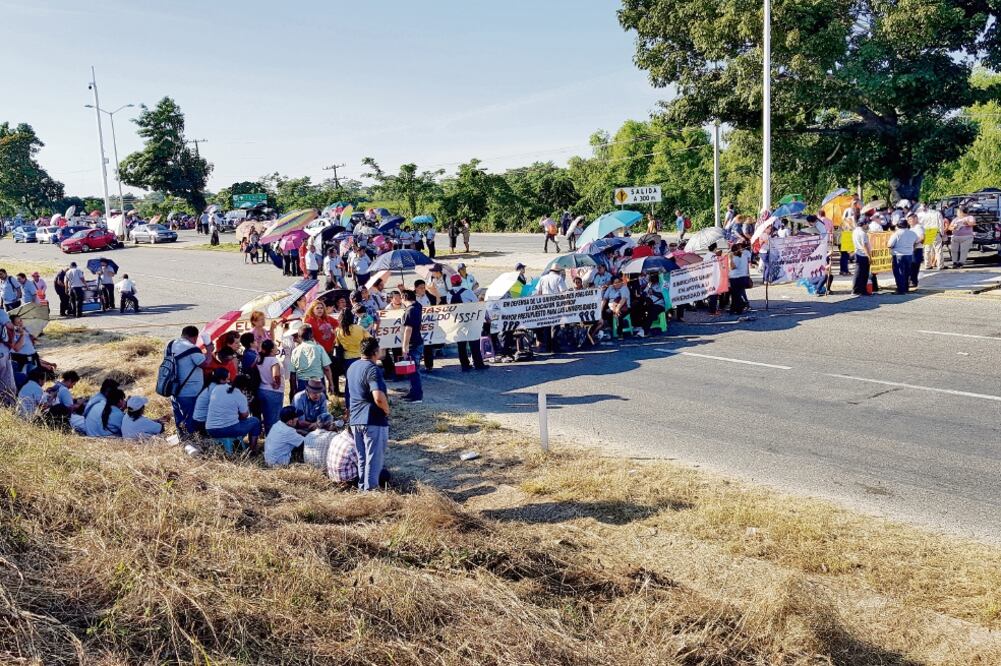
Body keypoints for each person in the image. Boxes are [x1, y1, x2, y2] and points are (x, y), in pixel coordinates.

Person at [347, 337, 391, 491]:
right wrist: (387, 410)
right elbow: (378, 397)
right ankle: (371, 492)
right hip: (372, 419)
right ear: (375, 352)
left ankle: (363, 489)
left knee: (362, 459)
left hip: (355, 420)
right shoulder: (373, 369)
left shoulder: (352, 367)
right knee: (374, 460)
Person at [168, 326, 212, 438]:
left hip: (174, 388)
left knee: (179, 417)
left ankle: (182, 439)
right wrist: (209, 350)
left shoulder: (171, 344)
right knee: (190, 420)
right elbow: (206, 364)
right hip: (189, 391)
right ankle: (192, 442)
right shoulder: (192, 348)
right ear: (194, 337)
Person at [205, 375, 262, 453]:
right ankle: (252, 449)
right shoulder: (240, 396)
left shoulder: (218, 388)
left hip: (210, 429)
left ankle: (234, 445)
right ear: (245, 387)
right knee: (255, 421)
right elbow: (244, 415)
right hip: (227, 429)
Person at [446, 276, 487, 371]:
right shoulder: (468, 292)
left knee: (461, 345)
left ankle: (464, 365)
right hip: (470, 320)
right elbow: (477, 304)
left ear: (451, 283)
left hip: (457, 322)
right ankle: (478, 364)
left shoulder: (449, 294)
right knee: (474, 343)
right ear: (461, 282)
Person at [290, 324, 334, 393]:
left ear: (299, 336)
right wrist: (331, 384)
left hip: (302, 383)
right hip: (318, 382)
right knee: (319, 402)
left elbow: (293, 373)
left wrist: (293, 389)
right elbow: (326, 368)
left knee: (303, 403)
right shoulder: (319, 348)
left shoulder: (295, 351)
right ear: (312, 335)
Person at [399, 290, 425, 402]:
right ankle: (413, 392)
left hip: (412, 344)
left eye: (401, 297)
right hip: (417, 341)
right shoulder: (417, 306)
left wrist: (405, 347)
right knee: (411, 370)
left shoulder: (410, 310)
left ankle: (417, 396)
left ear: (404, 297)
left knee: (413, 371)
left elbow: (408, 330)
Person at [256, 339, 284, 433]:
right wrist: (277, 384)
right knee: (274, 418)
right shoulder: (273, 360)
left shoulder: (260, 359)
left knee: (266, 416)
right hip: (273, 392)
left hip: (262, 389)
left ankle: (268, 436)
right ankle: (272, 440)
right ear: (272, 349)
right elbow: (275, 375)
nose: (277, 347)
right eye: (275, 346)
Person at [888, 221, 918, 295]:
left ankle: (900, 289)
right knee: (907, 273)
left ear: (898, 226)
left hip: (899, 255)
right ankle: (905, 288)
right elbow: (916, 242)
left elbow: (889, 244)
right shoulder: (912, 233)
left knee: (899, 273)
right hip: (909, 255)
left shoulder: (897, 233)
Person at [852, 219, 874, 296]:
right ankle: (862, 290)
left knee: (858, 273)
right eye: (867, 224)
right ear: (863, 224)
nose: (867, 226)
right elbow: (865, 246)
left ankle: (856, 290)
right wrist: (869, 257)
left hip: (857, 254)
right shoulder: (862, 233)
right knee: (864, 274)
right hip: (863, 255)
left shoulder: (855, 231)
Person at [729, 242, 751, 314]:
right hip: (743, 277)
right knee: (738, 293)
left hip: (735, 278)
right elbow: (747, 266)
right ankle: (734, 308)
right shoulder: (744, 256)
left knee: (735, 295)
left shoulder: (735, 258)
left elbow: (733, 267)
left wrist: (731, 259)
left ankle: (738, 308)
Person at [907, 213, 924, 287]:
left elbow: (922, 237)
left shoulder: (918, 227)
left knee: (914, 266)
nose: (910, 221)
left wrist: (914, 243)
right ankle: (911, 281)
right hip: (911, 249)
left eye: (911, 219)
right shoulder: (911, 228)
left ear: (916, 219)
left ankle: (913, 282)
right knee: (911, 266)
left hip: (916, 249)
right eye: (909, 219)